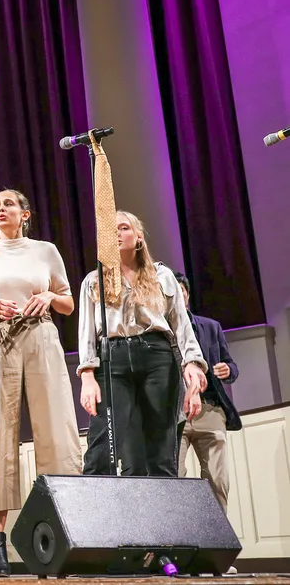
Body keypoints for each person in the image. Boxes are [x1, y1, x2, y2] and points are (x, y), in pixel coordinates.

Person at [0, 190, 82, 576]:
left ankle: (67, 530)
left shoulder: (45, 250)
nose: (0, 209)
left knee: (56, 429)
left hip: (40, 334)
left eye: (8, 204)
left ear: (25, 214)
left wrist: (50, 296)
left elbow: (69, 302)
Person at [79, 211, 206, 477]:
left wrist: (192, 363)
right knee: (103, 446)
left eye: (123, 228)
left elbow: (181, 325)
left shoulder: (163, 276)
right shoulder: (94, 281)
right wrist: (87, 377)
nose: (116, 233)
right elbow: (87, 334)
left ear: (138, 237)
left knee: (161, 451)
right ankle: (97, 514)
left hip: (157, 358)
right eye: (110, 230)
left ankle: (163, 516)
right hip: (113, 361)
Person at [174, 272, 240, 511]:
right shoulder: (158, 332)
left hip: (210, 408)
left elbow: (231, 365)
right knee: (173, 480)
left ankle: (218, 544)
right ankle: (179, 543)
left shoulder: (211, 327)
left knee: (217, 480)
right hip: (174, 414)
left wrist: (227, 369)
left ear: (187, 296)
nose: (177, 298)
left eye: (180, 292)